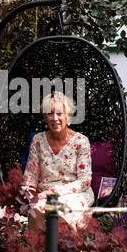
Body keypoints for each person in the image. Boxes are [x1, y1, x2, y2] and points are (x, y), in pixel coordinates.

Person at [21, 91, 94, 232]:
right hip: (43, 194)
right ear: (45, 117)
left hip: (75, 193)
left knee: (61, 212)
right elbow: (30, 177)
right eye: (50, 114)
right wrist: (28, 196)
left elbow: (84, 181)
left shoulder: (81, 141)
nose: (55, 118)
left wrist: (55, 192)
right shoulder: (38, 141)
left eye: (59, 113)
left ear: (68, 115)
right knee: (36, 211)